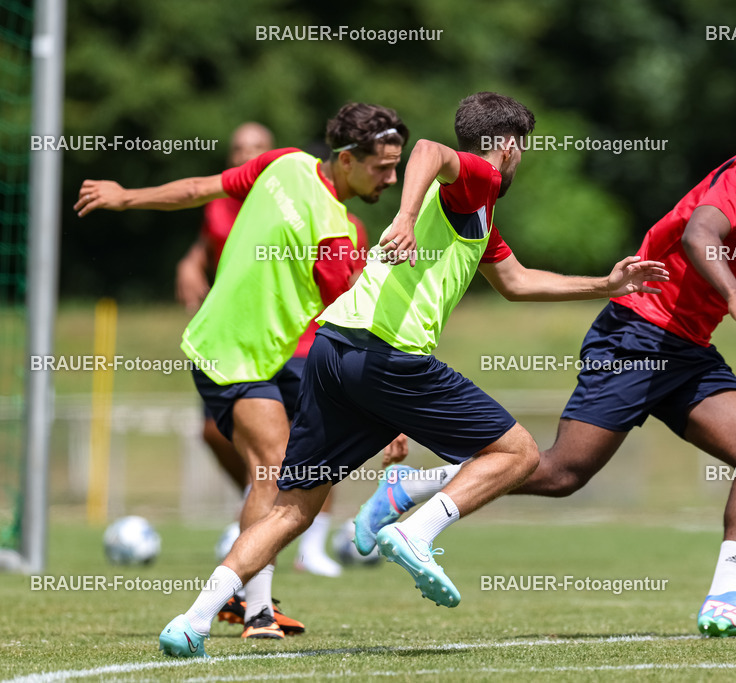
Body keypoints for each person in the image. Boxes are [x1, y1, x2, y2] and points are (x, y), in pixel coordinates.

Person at [353, 90, 736, 638]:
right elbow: (701, 233)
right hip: (635, 334)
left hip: (689, 351)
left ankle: (727, 600)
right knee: (562, 474)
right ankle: (413, 487)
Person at [155, 90, 669, 658]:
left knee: (292, 507)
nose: (521, 158)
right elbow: (428, 148)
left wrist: (605, 285)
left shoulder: (475, 212)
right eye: (522, 148)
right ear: (506, 147)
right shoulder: (479, 179)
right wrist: (402, 218)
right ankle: (414, 531)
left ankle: (191, 621)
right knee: (519, 453)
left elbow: (517, 281)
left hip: (334, 348)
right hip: (389, 354)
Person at [75, 102, 409, 641]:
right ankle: (250, 609)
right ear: (347, 159)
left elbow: (197, 189)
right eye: (384, 168)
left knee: (279, 472)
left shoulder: (293, 170)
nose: (392, 179)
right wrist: (126, 197)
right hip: (228, 351)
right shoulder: (314, 206)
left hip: (265, 358)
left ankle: (253, 605)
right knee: (273, 469)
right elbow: (351, 326)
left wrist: (126, 196)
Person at [175, 122, 356, 580]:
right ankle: (259, 521)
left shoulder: (327, 215)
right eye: (238, 148)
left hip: (301, 343)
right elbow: (206, 246)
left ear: (271, 155)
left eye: (255, 148)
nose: (244, 155)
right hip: (236, 345)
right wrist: (189, 264)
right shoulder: (219, 208)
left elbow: (348, 285)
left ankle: (304, 546)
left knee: (310, 445)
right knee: (224, 439)